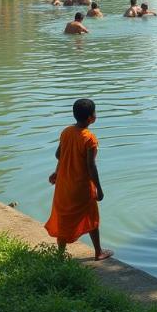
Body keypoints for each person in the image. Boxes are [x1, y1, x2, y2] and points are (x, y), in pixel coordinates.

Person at [45, 98, 112, 260]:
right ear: (91, 118)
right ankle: (98, 252)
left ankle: (60, 254)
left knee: (63, 216)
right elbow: (91, 167)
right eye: (95, 112)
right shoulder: (89, 138)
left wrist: (56, 171)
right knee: (92, 217)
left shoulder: (66, 131)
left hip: (64, 184)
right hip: (81, 186)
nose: (96, 115)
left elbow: (58, 154)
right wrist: (99, 189)